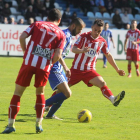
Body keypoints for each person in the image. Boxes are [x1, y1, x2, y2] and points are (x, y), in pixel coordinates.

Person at [45, 19, 126, 120]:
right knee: (61, 91)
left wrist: (117, 69)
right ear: (92, 27)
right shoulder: (83, 37)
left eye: (99, 31)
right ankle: (47, 105)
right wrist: (82, 50)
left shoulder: (102, 41)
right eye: (95, 30)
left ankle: (113, 99)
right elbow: (73, 49)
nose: (97, 33)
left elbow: (108, 55)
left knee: (102, 83)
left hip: (89, 71)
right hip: (76, 70)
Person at [2, 8, 66, 134]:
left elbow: (22, 37)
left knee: (18, 93)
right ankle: (38, 124)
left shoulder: (37, 24)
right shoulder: (61, 34)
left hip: (29, 62)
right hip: (44, 66)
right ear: (59, 20)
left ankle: (10, 125)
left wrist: (26, 52)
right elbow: (58, 54)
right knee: (40, 94)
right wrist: (49, 63)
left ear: (47, 18)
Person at [44, 17, 86, 120]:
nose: (80, 32)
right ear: (73, 26)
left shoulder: (68, 35)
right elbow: (58, 54)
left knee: (61, 93)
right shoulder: (65, 36)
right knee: (67, 93)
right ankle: (42, 105)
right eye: (79, 29)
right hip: (54, 67)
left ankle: (50, 115)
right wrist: (66, 67)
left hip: (58, 67)